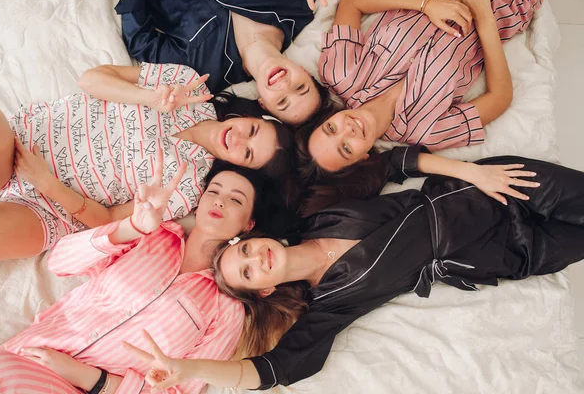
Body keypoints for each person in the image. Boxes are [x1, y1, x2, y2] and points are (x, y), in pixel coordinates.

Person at [124, 155, 584, 391]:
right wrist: (184, 368)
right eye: (246, 272)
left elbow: (392, 163)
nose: (253, 258)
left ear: (258, 236)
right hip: (505, 253)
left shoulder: (320, 211)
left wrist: (471, 171)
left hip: (488, 190)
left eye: (244, 250)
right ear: (262, 291)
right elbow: (271, 370)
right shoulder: (328, 304)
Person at [0, 160, 304, 394]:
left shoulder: (227, 312)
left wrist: (88, 378)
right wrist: (131, 227)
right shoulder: (150, 235)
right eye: (214, 190)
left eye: (236, 199)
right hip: (29, 359)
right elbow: (60, 262)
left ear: (249, 224)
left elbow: (179, 390)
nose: (219, 200)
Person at [0, 62, 293, 262]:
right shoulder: (187, 83)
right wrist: (148, 98)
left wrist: (47, 184)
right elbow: (90, 80)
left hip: (49, 207)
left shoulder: (191, 189)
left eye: (248, 153)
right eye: (251, 131)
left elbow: (107, 220)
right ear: (251, 116)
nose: (238, 140)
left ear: (243, 167)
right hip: (21, 141)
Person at [305, 0, 544, 173]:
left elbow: (353, 2)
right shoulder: (429, 132)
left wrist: (426, 3)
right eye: (346, 148)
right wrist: (483, 14)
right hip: (508, 3)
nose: (348, 129)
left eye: (331, 129)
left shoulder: (340, 72)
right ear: (363, 158)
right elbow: (500, 97)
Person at [114, 0, 332, 125]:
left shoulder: (204, 73)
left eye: (282, 102)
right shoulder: (300, 8)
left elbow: (143, 44)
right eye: (300, 87)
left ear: (263, 104)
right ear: (304, 70)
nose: (285, 86)